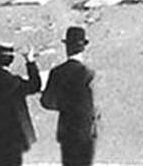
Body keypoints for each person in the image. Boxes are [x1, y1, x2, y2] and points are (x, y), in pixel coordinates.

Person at [41, 26, 99, 166]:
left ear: (66, 47)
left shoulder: (57, 72)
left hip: (66, 130)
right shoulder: (90, 73)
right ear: (84, 47)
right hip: (87, 130)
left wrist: (63, 104)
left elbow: (47, 102)